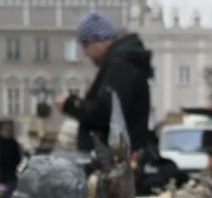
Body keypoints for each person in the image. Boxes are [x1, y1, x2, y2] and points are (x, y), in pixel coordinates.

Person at [57, 12, 155, 154]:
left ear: (99, 40)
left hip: (114, 160)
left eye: (85, 44)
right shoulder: (124, 62)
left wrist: (71, 104)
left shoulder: (120, 65)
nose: (85, 53)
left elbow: (105, 112)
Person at [0, 121, 22, 195]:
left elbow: (17, 156)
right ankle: (1, 196)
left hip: (11, 170)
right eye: (4, 131)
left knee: (10, 186)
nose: (5, 133)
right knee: (2, 186)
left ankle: (8, 197)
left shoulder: (13, 143)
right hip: (0, 170)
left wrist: (15, 165)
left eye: (7, 131)